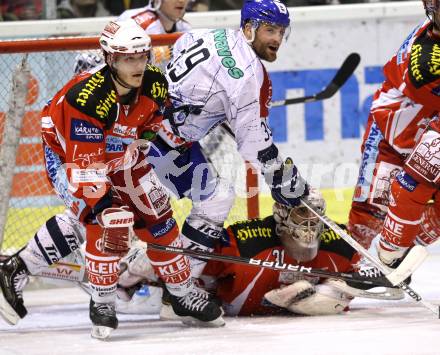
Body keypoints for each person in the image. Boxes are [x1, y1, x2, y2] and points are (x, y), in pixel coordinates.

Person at [0, 18, 224, 338]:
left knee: (158, 213)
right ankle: (102, 300)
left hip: (121, 152)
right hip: (67, 152)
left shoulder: (155, 82)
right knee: (102, 218)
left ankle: (182, 293)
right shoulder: (87, 100)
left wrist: (142, 146)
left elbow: (153, 119)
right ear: (110, 59)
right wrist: (105, 206)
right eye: (127, 58)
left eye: (142, 56)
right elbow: (86, 165)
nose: (138, 65)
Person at [148, 0, 309, 281]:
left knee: (211, 197)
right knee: (214, 200)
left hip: (150, 130)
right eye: (270, 30)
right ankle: (177, 287)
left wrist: (213, 109)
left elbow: (185, 68)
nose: (277, 39)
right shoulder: (249, 76)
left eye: (282, 32)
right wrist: (280, 178)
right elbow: (252, 142)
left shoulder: (206, 34)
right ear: (249, 28)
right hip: (159, 145)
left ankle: (167, 283)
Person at [116, 189, 402, 318]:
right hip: (221, 302)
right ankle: (128, 274)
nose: (310, 222)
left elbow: (368, 275)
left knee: (335, 294)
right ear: (281, 213)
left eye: (315, 214)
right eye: (302, 213)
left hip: (280, 305)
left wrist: (385, 275)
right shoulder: (247, 240)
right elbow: (193, 260)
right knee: (173, 279)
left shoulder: (338, 243)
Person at [347, 0, 440, 267]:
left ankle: (395, 258)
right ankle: (339, 271)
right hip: (392, 139)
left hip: (427, 139)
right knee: (367, 218)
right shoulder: (426, 59)